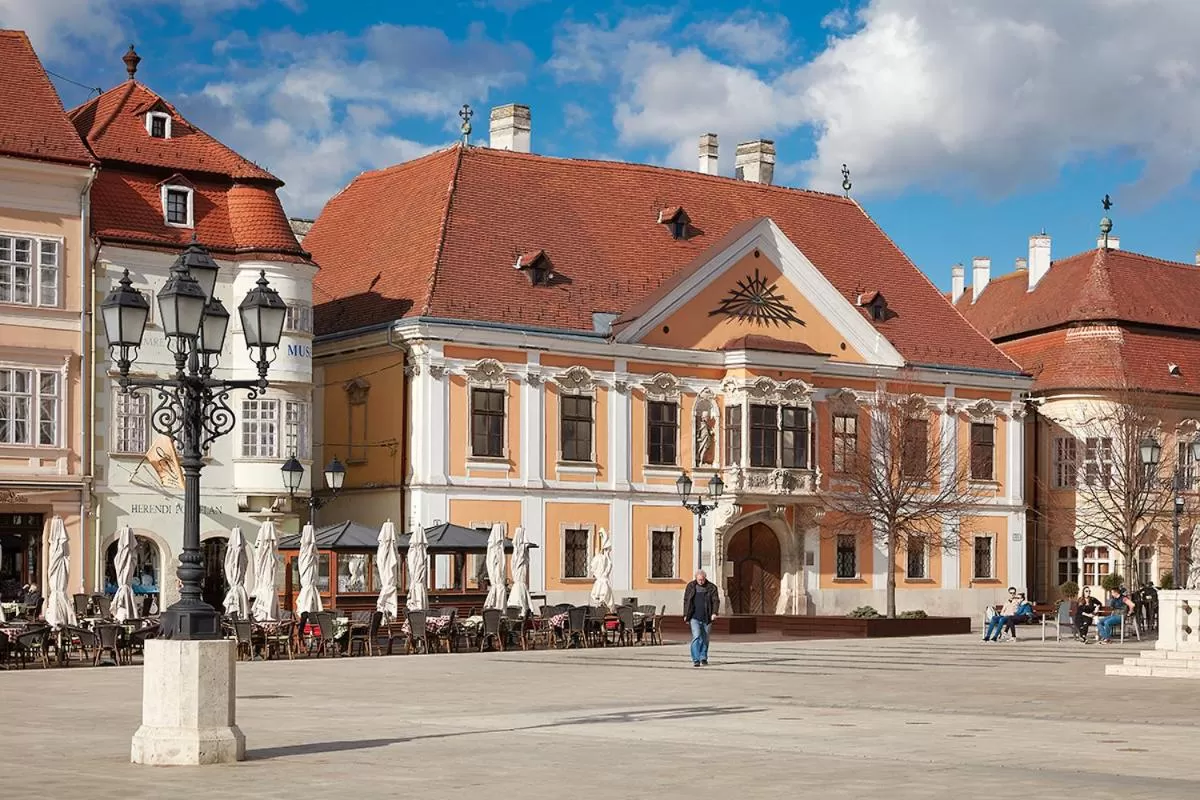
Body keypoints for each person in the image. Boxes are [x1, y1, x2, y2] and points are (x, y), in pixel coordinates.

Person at [683, 570, 720, 666]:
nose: (701, 582)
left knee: (705, 638)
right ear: (696, 578)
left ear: (705, 578)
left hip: (707, 617)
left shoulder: (711, 587)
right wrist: (686, 614)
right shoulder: (691, 586)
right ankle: (696, 659)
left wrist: (714, 613)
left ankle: (703, 657)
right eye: (699, 580)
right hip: (694, 617)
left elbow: (716, 601)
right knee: (696, 636)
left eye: (702, 580)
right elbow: (687, 601)